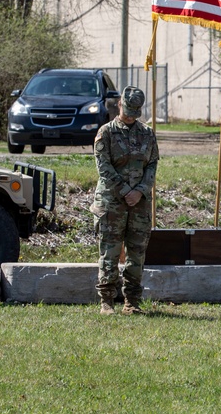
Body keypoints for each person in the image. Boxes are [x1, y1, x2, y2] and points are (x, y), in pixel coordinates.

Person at [91, 86, 159, 316]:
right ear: (119, 104)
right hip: (112, 202)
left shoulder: (147, 134)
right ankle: (107, 301)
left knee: (137, 253)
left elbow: (152, 164)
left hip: (139, 203)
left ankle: (132, 302)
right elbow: (104, 168)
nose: (130, 115)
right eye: (127, 110)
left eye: (135, 112)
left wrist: (139, 191)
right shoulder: (106, 133)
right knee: (110, 251)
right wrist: (124, 191)